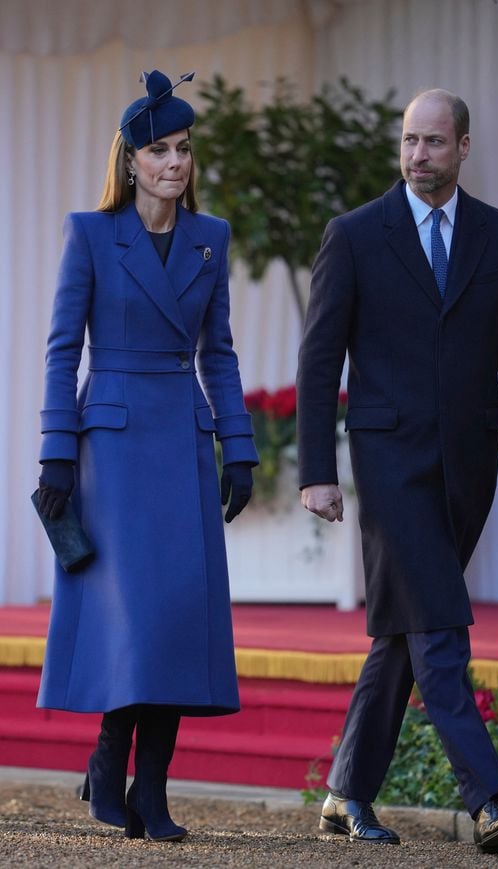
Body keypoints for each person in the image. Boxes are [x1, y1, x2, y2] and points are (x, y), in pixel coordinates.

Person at [297, 89, 498, 855]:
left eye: (434, 142)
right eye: (409, 141)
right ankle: (488, 798)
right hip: (388, 460)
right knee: (438, 622)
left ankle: (345, 793)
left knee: (403, 635)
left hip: (470, 466)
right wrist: (316, 470)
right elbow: (317, 360)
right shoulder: (354, 235)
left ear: (463, 147)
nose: (417, 156)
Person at [35, 69, 258, 842]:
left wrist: (241, 447)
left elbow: (220, 353)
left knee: (175, 619)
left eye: (184, 150)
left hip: (184, 442)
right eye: (159, 150)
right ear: (131, 159)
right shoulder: (92, 234)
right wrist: (56, 452)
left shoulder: (211, 239)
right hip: (113, 450)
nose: (174, 162)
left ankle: (151, 787)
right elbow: (63, 351)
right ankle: (108, 754)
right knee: (135, 617)